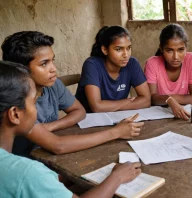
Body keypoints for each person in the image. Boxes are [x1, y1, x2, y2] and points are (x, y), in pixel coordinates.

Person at [0, 60, 141, 198]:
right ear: (15, 114)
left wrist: (55, 179)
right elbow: (32, 178)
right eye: (34, 102)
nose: (53, 69)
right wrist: (117, 177)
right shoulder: (27, 173)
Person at [1, 31, 144, 157]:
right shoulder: (18, 100)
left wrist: (51, 126)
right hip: (23, 164)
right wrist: (116, 132)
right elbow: (58, 145)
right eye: (44, 64)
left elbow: (79, 111)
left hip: (46, 157)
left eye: (53, 61)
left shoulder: (52, 84)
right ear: (22, 70)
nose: (53, 69)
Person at [76, 26, 151, 113]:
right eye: (119, 49)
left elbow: (146, 100)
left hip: (117, 117)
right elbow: (96, 107)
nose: (126, 55)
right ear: (104, 50)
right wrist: (125, 102)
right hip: (89, 119)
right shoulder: (92, 65)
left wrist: (112, 106)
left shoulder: (132, 63)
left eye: (128, 48)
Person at [144, 24, 192, 120]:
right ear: (161, 49)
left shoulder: (191, 59)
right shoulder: (152, 63)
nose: (176, 57)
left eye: (181, 50)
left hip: (185, 116)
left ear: (186, 48)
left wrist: (165, 98)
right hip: (159, 117)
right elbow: (151, 98)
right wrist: (169, 100)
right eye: (169, 50)